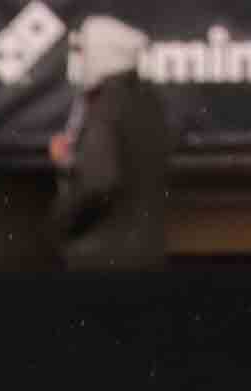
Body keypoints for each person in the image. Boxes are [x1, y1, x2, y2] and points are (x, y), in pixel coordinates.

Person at [53, 17, 170, 270]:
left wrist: (62, 219)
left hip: (101, 255)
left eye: (84, 51)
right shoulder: (151, 103)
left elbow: (99, 181)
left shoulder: (105, 106)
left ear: (100, 55)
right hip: (148, 253)